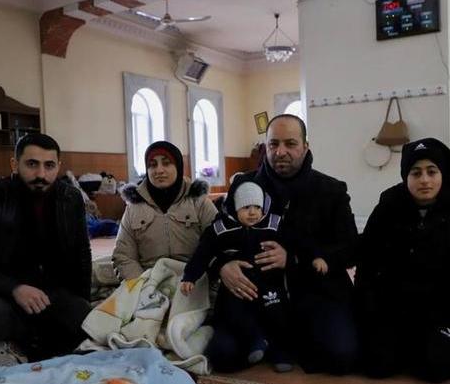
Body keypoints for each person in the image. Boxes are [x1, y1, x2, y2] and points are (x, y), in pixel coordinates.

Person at [205, 114, 359, 375]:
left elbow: (350, 249)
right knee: (222, 356)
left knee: (342, 355)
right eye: (274, 144)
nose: (281, 152)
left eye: (290, 143)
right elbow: (215, 238)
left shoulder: (330, 191)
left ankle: (284, 341)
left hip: (314, 292)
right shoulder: (244, 186)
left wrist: (295, 259)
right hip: (253, 295)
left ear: (306, 147)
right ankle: (270, 340)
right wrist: (223, 265)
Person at [0, 133, 92, 361]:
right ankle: (35, 339)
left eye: (49, 166)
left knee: (84, 317)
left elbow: (81, 256)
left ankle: (37, 333)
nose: (41, 175)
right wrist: (14, 288)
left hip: (46, 292)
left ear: (59, 166)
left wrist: (80, 303)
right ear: (14, 164)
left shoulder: (71, 198)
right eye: (32, 164)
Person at [356, 137, 450, 383]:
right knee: (375, 365)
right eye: (416, 173)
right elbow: (367, 261)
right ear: (406, 177)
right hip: (396, 308)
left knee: (433, 368)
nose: (424, 180)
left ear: (442, 174)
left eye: (431, 172)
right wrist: (369, 312)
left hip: (445, 312)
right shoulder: (388, 207)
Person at [181, 180, 305, 373]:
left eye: (257, 207)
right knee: (234, 316)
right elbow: (203, 252)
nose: (253, 212)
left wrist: (303, 257)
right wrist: (190, 276)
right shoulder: (222, 228)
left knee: (279, 315)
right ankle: (257, 339)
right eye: (246, 207)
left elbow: (298, 242)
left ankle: (281, 351)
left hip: (269, 285)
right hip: (236, 290)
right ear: (235, 208)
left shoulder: (274, 224)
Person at [111, 140, 217, 280]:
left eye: (166, 163)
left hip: (193, 283)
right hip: (148, 283)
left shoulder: (199, 202)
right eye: (152, 165)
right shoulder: (134, 208)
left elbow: (219, 245)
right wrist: (144, 287)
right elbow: (123, 256)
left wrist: (197, 281)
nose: (159, 170)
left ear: (178, 167)